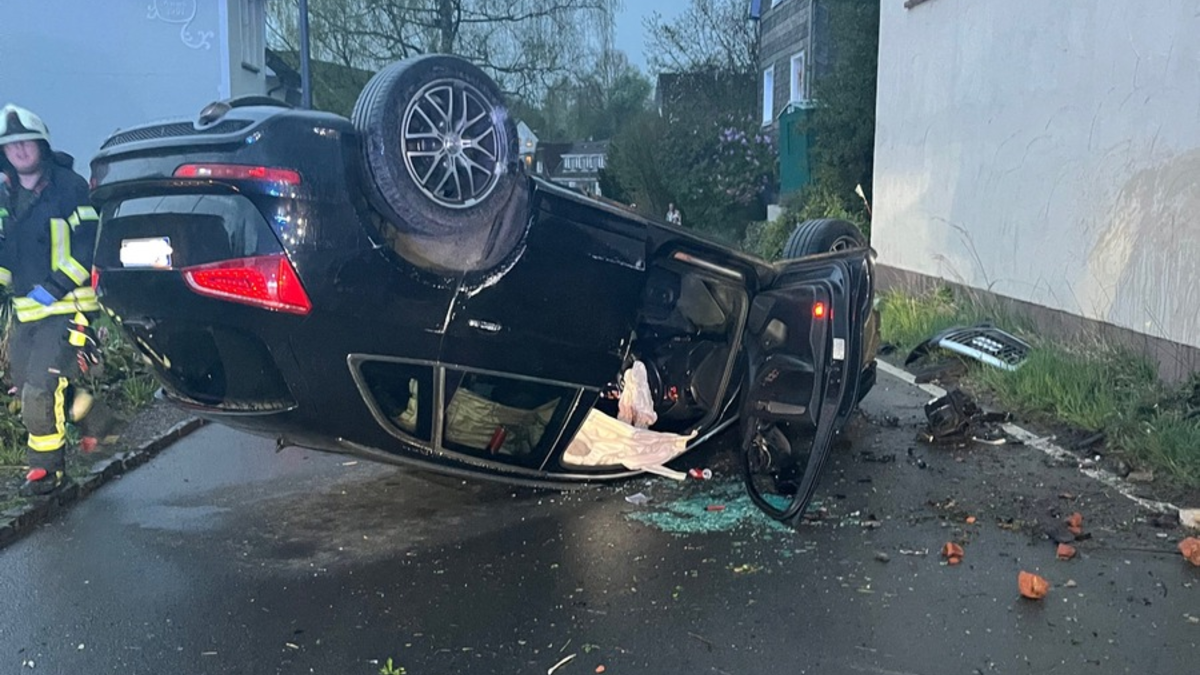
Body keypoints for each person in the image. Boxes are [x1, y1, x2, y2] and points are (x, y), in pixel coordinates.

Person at [0, 104, 102, 497]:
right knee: (29, 389)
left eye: (26, 142)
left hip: (67, 306)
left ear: (41, 145)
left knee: (41, 389)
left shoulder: (70, 187)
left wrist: (56, 286)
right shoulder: (7, 197)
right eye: (11, 146)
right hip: (28, 313)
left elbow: (87, 244)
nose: (20, 150)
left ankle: (47, 472)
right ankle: (98, 422)